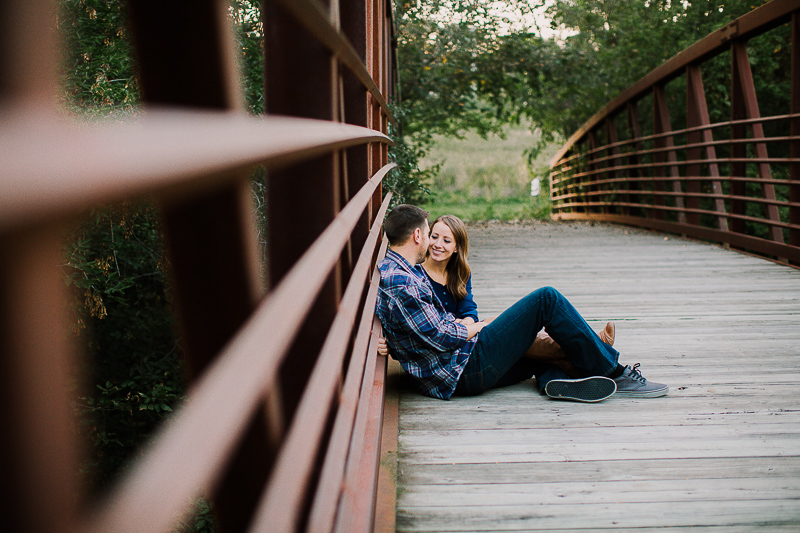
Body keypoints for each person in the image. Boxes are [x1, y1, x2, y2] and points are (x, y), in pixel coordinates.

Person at [375, 204, 668, 402]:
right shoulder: (403, 280)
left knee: (531, 345)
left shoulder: (397, 272)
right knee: (546, 299)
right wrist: (479, 326)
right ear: (417, 235)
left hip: (456, 366)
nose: (431, 241)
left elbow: (423, 325)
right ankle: (614, 371)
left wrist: (391, 340)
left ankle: (558, 377)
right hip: (461, 368)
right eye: (429, 234)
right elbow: (441, 335)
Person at [378, 214, 615, 370]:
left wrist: (470, 321)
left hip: (463, 337)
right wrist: (392, 343)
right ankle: (599, 349)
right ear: (423, 237)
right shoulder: (413, 278)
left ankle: (569, 367)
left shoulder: (459, 272)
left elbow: (467, 308)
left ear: (457, 247)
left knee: (522, 342)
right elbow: (423, 329)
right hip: (458, 347)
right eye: (434, 236)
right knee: (543, 301)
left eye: (446, 240)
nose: (438, 244)